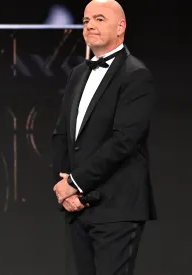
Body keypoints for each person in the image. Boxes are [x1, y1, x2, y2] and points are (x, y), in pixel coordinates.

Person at [52, 0, 157, 274]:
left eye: (99, 19)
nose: (90, 26)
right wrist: (64, 185)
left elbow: (124, 141)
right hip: (77, 208)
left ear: (121, 27)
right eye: (86, 21)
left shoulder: (136, 75)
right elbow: (62, 133)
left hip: (117, 209)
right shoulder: (77, 74)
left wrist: (75, 183)